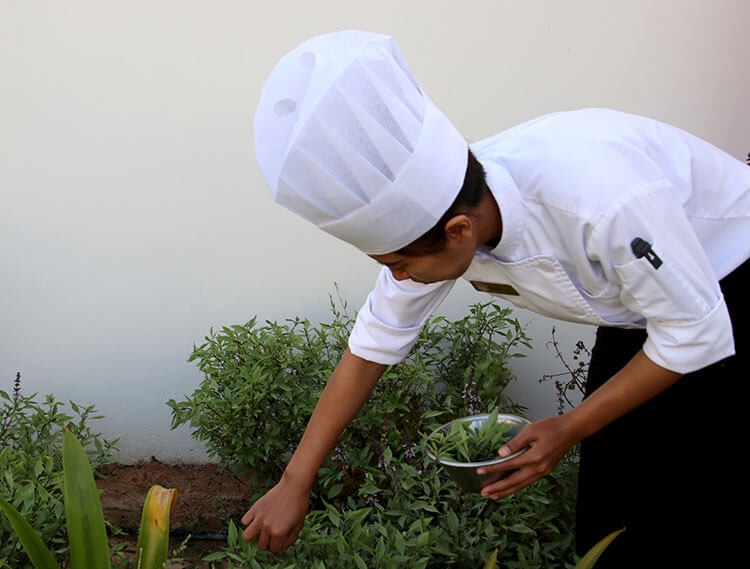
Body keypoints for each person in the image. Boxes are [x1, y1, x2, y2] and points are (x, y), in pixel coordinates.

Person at [243, 30, 749, 566]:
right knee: (608, 511)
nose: (401, 279)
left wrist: (568, 428)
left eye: (400, 265)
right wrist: (294, 482)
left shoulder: (599, 197)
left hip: (731, 281)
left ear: (460, 231)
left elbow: (696, 330)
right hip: (642, 317)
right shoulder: (442, 218)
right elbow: (372, 345)